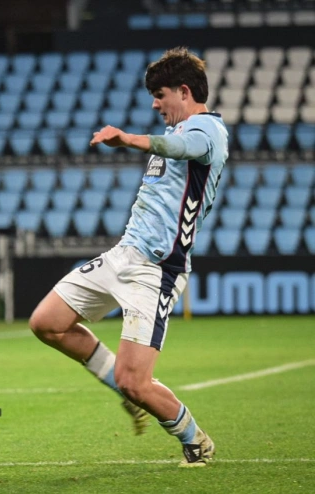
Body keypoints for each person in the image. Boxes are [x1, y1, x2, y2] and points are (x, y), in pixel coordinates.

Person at [28, 47, 227, 467]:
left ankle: (196, 441)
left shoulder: (209, 130)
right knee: (46, 323)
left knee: (136, 382)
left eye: (160, 95)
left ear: (184, 91)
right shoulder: (177, 130)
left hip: (157, 269)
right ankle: (126, 391)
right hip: (124, 254)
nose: (155, 105)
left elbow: (185, 148)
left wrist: (128, 139)